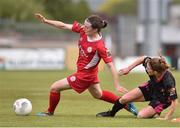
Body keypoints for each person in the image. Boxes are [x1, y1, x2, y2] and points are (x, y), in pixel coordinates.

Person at [34, 13, 138, 116]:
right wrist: (45, 21)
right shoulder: (84, 31)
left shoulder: (100, 46)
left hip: (84, 76)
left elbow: (111, 65)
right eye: (84, 25)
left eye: (87, 27)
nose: (84, 28)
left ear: (95, 29)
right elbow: (63, 25)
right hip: (89, 73)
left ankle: (49, 112)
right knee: (98, 94)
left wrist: (116, 84)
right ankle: (125, 103)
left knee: (54, 87)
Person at [96, 56, 178, 120]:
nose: (146, 68)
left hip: (162, 99)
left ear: (155, 72)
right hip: (151, 87)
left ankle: (155, 112)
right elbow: (143, 58)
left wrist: (167, 117)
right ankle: (111, 113)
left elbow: (174, 102)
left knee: (140, 115)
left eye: (149, 68)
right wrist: (128, 69)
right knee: (124, 99)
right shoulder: (151, 64)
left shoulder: (168, 81)